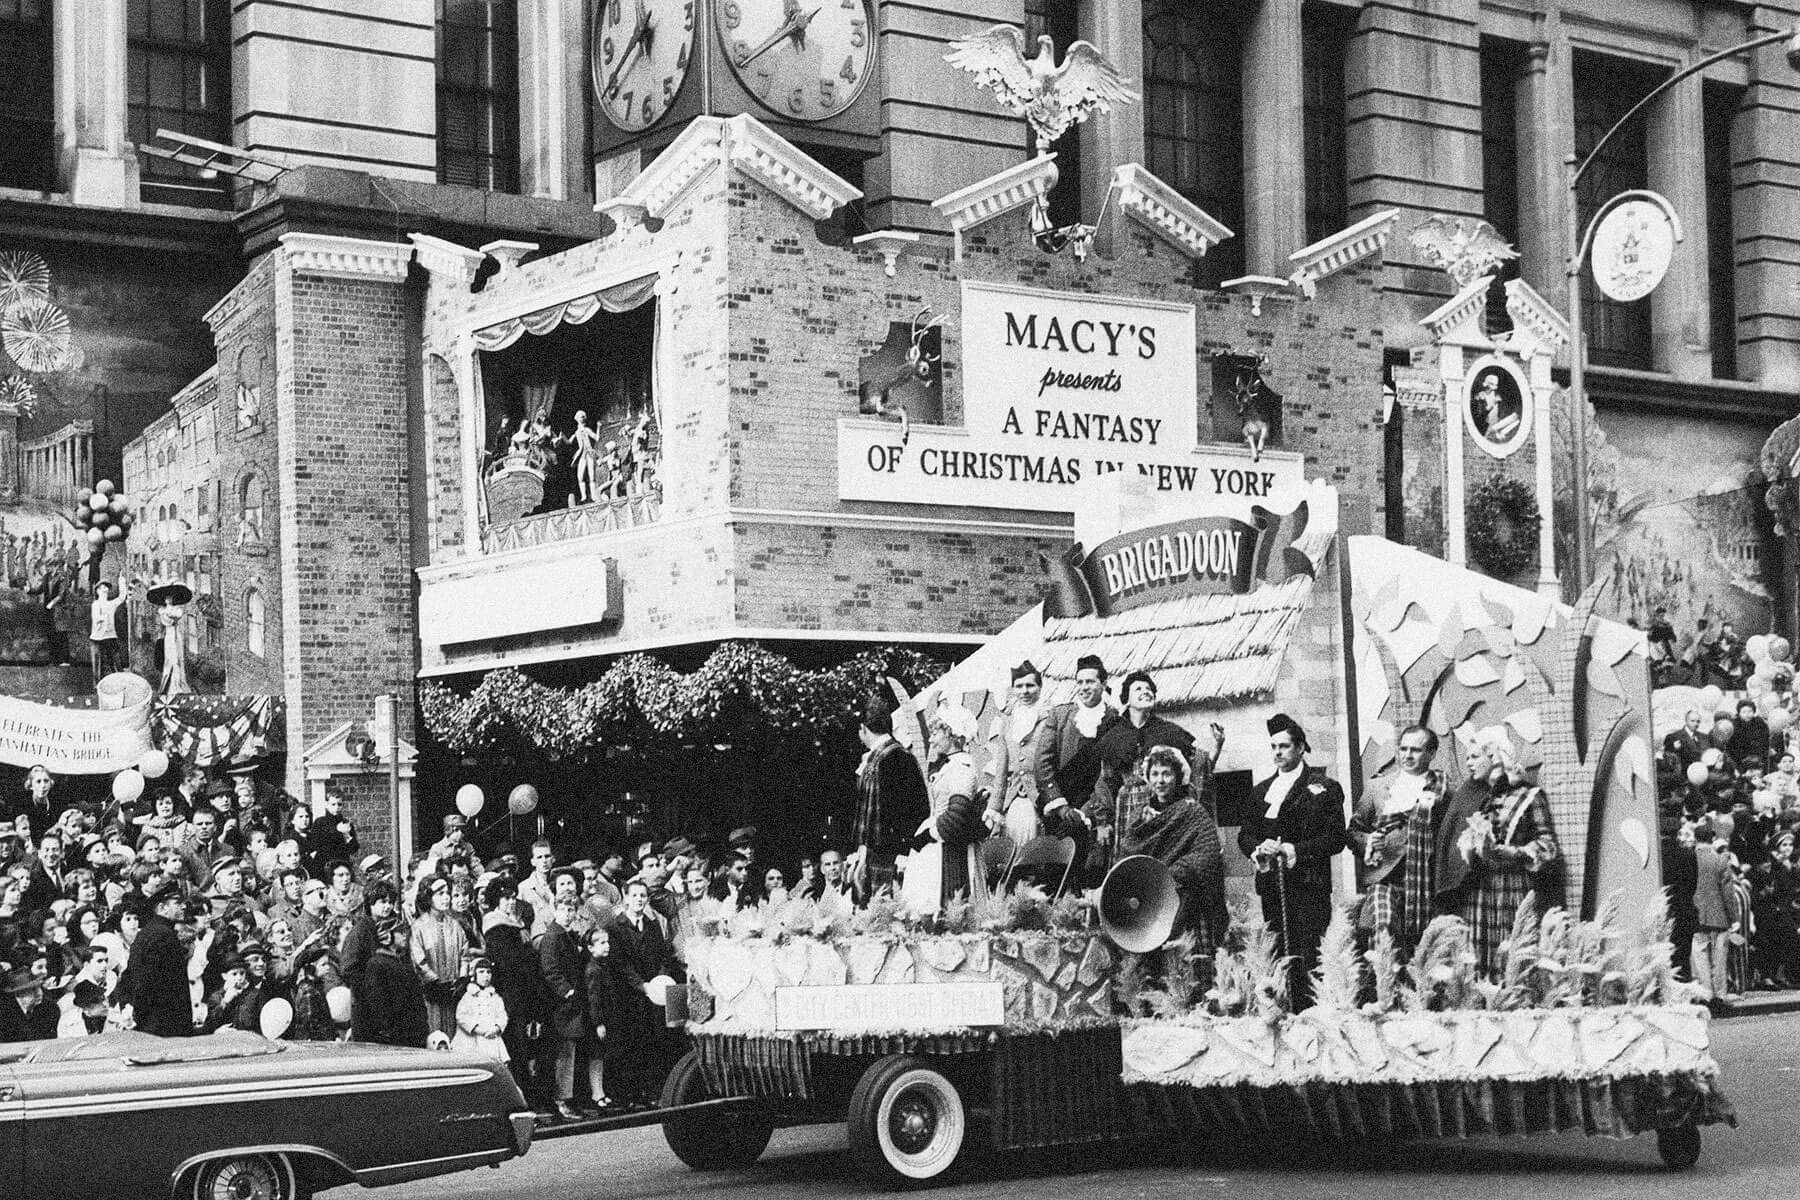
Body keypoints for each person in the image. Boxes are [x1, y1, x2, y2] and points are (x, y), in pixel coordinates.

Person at [1237, 714, 1346, 1008]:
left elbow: (1336, 839)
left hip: (1309, 887)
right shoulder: (1261, 791)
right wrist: (1260, 847)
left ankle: (1312, 1014)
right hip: (1273, 886)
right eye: (1273, 747)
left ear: (1300, 748)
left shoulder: (1324, 788)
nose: (1277, 753)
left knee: (1309, 954)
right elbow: (1245, 835)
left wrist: (1293, 849)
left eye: (1284, 746)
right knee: (1278, 953)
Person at [1433, 733, 1560, 977]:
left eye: (1474, 757)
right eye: (1467, 757)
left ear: (1494, 758)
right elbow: (1451, 843)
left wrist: (1515, 852)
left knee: (1514, 952)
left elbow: (1547, 844)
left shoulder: (1529, 796)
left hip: (1513, 887)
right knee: (1476, 957)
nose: (1468, 763)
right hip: (1478, 888)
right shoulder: (1469, 795)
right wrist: (1468, 850)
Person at [1116, 744, 1227, 953]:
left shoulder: (1192, 811)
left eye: (1167, 774)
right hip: (1149, 901)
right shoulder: (1141, 816)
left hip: (1185, 898)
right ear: (1148, 778)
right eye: (1155, 774)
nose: (1160, 781)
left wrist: (1174, 873)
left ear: (1178, 777)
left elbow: (1208, 854)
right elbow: (1128, 852)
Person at [1346, 725, 1446, 948]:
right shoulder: (1376, 787)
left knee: (1423, 944)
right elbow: (1353, 832)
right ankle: (1385, 979)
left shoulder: (1443, 789)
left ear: (1431, 754)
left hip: (1424, 882)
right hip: (1384, 878)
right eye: (1403, 749)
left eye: (1416, 750)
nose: (1407, 755)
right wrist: (1369, 841)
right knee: (1384, 929)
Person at [1032, 655, 1119, 875]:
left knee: (1091, 870)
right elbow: (1043, 763)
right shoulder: (1060, 716)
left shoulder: (1113, 720)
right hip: (1060, 805)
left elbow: (1108, 772)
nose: (1083, 688)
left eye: (1090, 682)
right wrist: (1060, 806)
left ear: (1103, 684)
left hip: (1095, 807)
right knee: (1056, 869)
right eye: (1079, 682)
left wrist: (1087, 812)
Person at [908, 701, 994, 912]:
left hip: (952, 851)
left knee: (952, 909)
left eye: (935, 733)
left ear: (952, 734)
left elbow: (956, 817)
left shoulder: (962, 768)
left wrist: (928, 835)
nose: (931, 739)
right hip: (942, 849)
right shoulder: (951, 766)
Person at [607, 878, 682, 1107]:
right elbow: (620, 964)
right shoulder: (615, 927)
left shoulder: (651, 925)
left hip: (652, 994)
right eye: (634, 895)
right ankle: (629, 1095)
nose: (638, 900)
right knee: (630, 1044)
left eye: (642, 896)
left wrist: (658, 980)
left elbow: (662, 956)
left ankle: (650, 1093)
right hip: (628, 996)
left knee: (652, 1041)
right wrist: (642, 985)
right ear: (626, 897)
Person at [850, 698, 929, 900]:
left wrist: (904, 851)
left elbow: (915, 811)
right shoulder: (887, 756)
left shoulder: (896, 757)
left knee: (887, 917)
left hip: (891, 857)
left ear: (863, 728)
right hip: (877, 855)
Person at [539, 893, 589, 1122]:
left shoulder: (565, 934)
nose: (568, 915)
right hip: (562, 1007)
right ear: (555, 909)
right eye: (564, 910)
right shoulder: (553, 935)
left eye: (571, 910)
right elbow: (550, 970)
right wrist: (567, 991)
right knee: (563, 1055)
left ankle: (566, 1099)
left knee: (568, 1053)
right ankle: (561, 1101)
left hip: (570, 1005)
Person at [987, 661, 1046, 846]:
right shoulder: (1008, 720)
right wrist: (994, 807)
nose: (1024, 691)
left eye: (1030, 685)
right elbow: (1001, 769)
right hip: (1013, 799)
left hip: (1040, 799)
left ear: (1040, 687)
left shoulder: (1050, 717)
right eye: (1019, 686)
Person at [127, 882, 195, 1037]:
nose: (184, 907)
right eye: (177, 903)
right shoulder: (163, 935)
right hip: (164, 1023)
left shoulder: (148, 932)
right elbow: (152, 981)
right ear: (162, 907)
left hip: (154, 1021)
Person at [352, 916, 429, 1048]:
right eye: (401, 932)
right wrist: (391, 1033)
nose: (406, 936)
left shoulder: (401, 962)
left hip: (411, 1036)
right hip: (394, 1040)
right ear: (387, 937)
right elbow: (378, 1005)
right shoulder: (376, 964)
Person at [412, 874, 472, 1038]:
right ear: (428, 897)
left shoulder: (455, 925)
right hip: (432, 995)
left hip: (453, 994)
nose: (446, 898)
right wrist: (433, 981)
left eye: (447, 893)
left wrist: (461, 978)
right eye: (440, 894)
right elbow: (418, 960)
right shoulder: (419, 927)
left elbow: (464, 954)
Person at [582, 926, 633, 1111]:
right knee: (596, 1058)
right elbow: (593, 999)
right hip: (599, 1021)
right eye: (602, 943)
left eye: (607, 942)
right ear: (590, 947)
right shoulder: (593, 969)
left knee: (602, 1057)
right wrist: (598, 1023)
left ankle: (602, 1092)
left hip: (608, 1017)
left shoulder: (603, 965)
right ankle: (597, 1094)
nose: (607, 946)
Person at [1691, 822, 1738, 1002]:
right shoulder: (1719, 860)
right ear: (1712, 838)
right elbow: (1728, 892)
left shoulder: (1690, 858)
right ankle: (1720, 995)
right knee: (1720, 958)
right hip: (1719, 916)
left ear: (1696, 838)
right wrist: (1734, 916)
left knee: (1700, 956)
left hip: (1697, 914)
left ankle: (1706, 994)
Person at [452, 957, 510, 1063]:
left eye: (488, 972)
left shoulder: (495, 997)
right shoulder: (468, 996)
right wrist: (477, 1029)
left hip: (491, 1038)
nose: (486, 975)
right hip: (472, 1040)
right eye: (481, 972)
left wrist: (496, 1028)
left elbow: (502, 1016)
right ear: (474, 975)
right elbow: (461, 1016)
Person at [0, 965, 58, 1042]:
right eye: (32, 990)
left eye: (39, 987)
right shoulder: (4, 1016)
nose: (39, 993)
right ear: (19, 994)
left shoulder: (49, 1009)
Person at [88, 580, 125, 679]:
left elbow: (122, 598)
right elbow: (96, 618)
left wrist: (122, 582)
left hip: (110, 636)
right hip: (97, 638)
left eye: (106, 587)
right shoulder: (96, 604)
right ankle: (98, 686)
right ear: (97, 591)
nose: (104, 589)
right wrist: (103, 618)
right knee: (97, 664)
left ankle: (119, 682)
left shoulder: (111, 604)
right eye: (102, 587)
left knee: (116, 662)